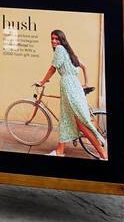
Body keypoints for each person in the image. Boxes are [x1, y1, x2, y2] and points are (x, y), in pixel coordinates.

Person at [36, 29, 107, 159]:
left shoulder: (59, 50)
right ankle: (59, 151)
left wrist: (42, 81)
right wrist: (85, 83)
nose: (53, 41)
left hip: (69, 88)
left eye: (57, 39)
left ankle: (103, 155)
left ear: (62, 40)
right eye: (52, 38)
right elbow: (84, 67)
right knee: (66, 119)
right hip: (75, 87)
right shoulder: (70, 53)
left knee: (81, 123)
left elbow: (53, 68)